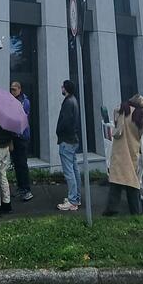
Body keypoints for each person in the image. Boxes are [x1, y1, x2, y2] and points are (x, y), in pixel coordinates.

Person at [104, 95, 143, 216]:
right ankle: (136, 211)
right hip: (132, 150)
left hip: (120, 149)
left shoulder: (123, 110)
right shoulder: (140, 116)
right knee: (132, 182)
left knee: (116, 181)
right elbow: (141, 133)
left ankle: (111, 209)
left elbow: (116, 123)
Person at [56, 80, 81, 212]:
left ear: (65, 88)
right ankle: (76, 198)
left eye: (62, 86)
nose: (61, 88)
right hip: (73, 139)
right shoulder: (74, 100)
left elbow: (65, 121)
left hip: (67, 140)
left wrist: (58, 131)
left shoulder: (68, 102)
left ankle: (72, 201)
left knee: (69, 172)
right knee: (74, 170)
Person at [9, 82, 33, 201]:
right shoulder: (11, 101)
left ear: (19, 89)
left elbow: (22, 116)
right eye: (11, 89)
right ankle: (20, 187)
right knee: (16, 163)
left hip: (22, 137)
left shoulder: (24, 101)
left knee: (22, 164)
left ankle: (27, 189)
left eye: (14, 89)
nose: (12, 91)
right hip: (14, 136)